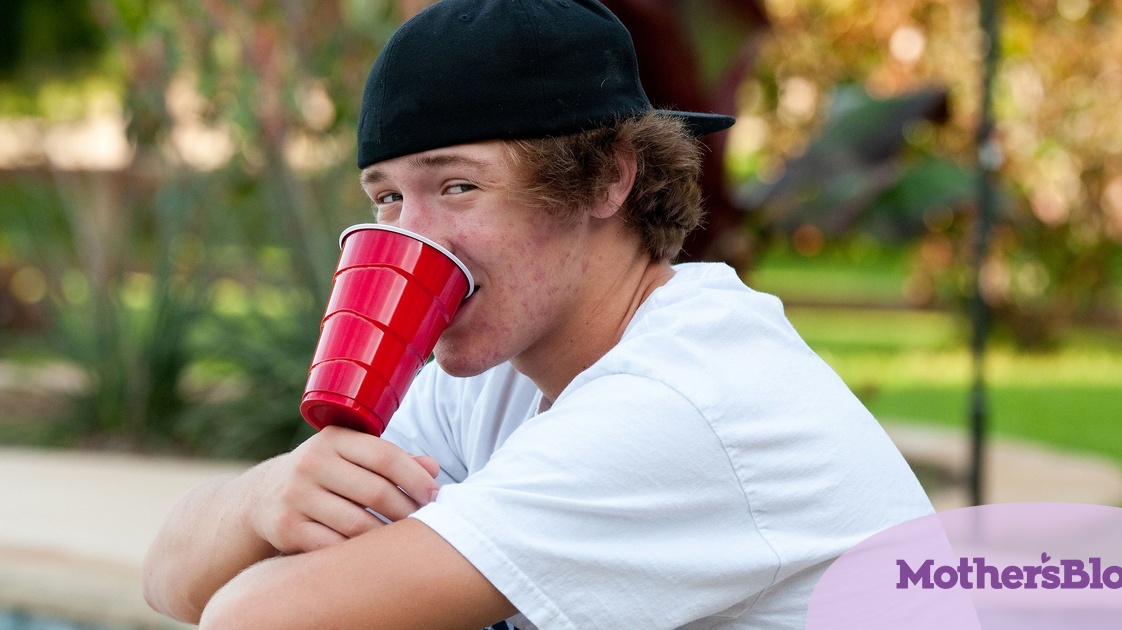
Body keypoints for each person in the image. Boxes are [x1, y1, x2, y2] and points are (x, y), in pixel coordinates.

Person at [142, 0, 934, 628]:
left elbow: (253, 617)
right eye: (386, 197)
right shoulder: (493, 372)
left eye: (457, 186)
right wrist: (264, 495)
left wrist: (270, 538)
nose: (411, 237)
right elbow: (170, 581)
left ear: (608, 179)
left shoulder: (676, 399)